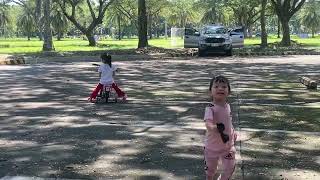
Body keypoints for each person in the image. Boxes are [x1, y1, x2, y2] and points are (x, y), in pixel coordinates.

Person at [203, 75, 237, 180]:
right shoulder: (210, 108)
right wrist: (213, 128)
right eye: (216, 86)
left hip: (228, 146)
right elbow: (208, 123)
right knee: (210, 169)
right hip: (212, 147)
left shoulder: (227, 106)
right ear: (210, 91)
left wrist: (232, 131)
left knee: (230, 168)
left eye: (224, 86)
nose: (220, 88)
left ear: (229, 91)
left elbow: (228, 121)